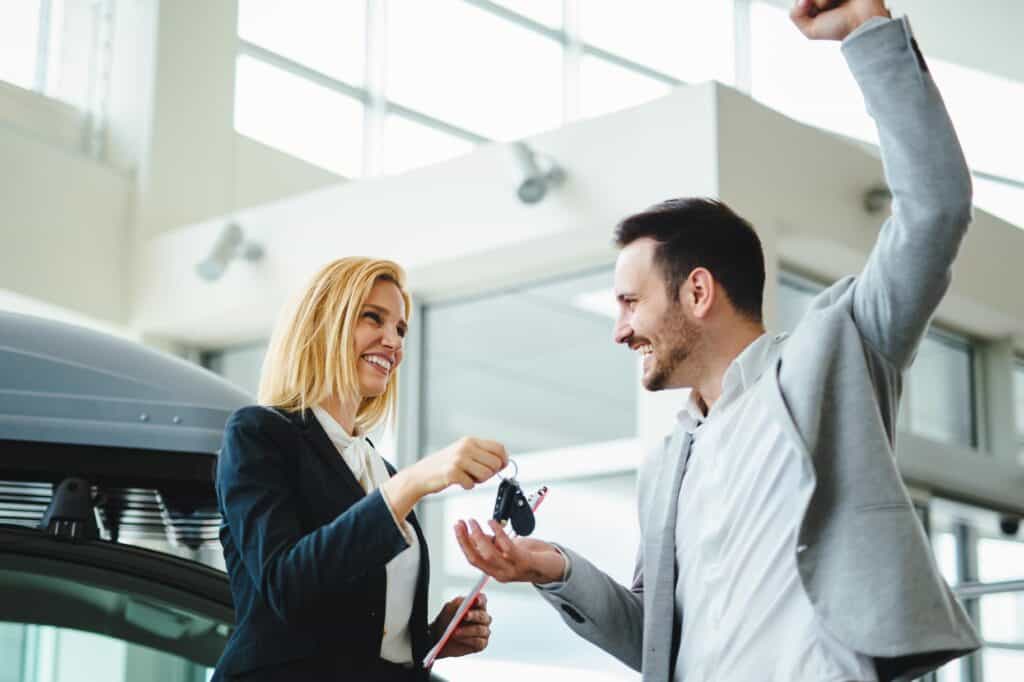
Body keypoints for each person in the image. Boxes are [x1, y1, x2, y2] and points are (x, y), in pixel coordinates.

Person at [454, 1, 981, 680]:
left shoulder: (840, 351)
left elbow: (936, 208)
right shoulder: (667, 466)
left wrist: (867, 35)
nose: (619, 330)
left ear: (697, 292)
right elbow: (653, 640)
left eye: (630, 302)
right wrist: (551, 569)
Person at [213, 257, 509, 681]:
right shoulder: (258, 434)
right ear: (323, 325)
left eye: (402, 330)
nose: (393, 342)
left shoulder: (379, 468)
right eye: (374, 319)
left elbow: (356, 624)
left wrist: (428, 637)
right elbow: (287, 586)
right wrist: (412, 483)